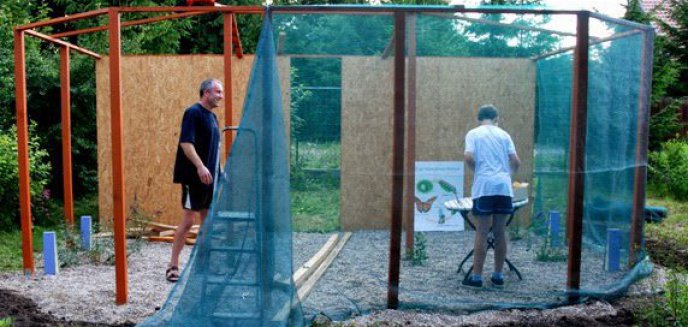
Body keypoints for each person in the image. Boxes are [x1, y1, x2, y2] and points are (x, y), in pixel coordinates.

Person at [166, 79, 223, 282]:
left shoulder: (213, 118)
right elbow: (186, 143)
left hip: (210, 179)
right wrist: (200, 166)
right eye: (217, 92)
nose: (221, 96)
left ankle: (205, 265)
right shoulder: (193, 113)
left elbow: (215, 149)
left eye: (221, 92)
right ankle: (173, 265)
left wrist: (220, 171)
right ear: (206, 93)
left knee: (207, 220)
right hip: (193, 176)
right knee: (189, 219)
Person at [462, 104, 520, 288]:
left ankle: (477, 277)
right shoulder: (504, 135)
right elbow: (515, 161)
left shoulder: (473, 133)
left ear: (479, 119)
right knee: (500, 231)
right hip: (503, 186)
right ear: (497, 118)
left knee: (482, 231)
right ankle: (497, 276)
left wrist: (476, 171)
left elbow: (469, 157)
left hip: (484, 186)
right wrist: (506, 175)